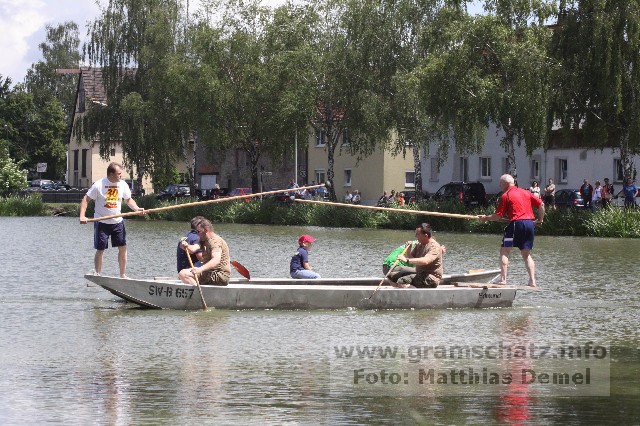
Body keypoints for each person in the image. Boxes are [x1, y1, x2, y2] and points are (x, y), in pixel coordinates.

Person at [79, 162, 145, 278]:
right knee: (100, 249)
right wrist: (82, 216)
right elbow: (86, 199)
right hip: (102, 222)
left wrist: (137, 209)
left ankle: (122, 275)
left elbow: (128, 200)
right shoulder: (99, 185)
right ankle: (97, 274)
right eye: (119, 174)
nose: (121, 176)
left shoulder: (123, 184)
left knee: (123, 247)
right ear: (111, 174)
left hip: (117, 222)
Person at [478, 174, 545, 287]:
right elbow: (541, 204)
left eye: (500, 183)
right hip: (529, 224)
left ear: (506, 184)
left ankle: (503, 280)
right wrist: (540, 219)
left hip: (516, 225)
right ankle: (532, 281)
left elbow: (497, 216)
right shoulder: (526, 192)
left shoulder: (506, 195)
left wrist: (486, 218)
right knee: (526, 254)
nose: (500, 186)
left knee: (504, 251)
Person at [383, 223, 444, 288]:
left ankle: (410, 291)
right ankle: (401, 289)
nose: (415, 236)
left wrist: (407, 260)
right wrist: (408, 249)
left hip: (431, 278)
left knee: (402, 281)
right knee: (391, 276)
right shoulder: (419, 244)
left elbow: (426, 261)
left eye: (417, 234)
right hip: (420, 273)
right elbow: (410, 257)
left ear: (425, 236)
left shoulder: (435, 247)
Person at [178, 218, 231, 286]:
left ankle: (197, 291)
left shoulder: (215, 242)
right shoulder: (203, 240)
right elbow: (192, 250)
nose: (197, 234)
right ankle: (197, 287)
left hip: (219, 275)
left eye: (199, 231)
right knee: (182, 275)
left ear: (206, 230)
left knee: (183, 274)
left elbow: (216, 260)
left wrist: (200, 269)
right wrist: (185, 246)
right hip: (210, 273)